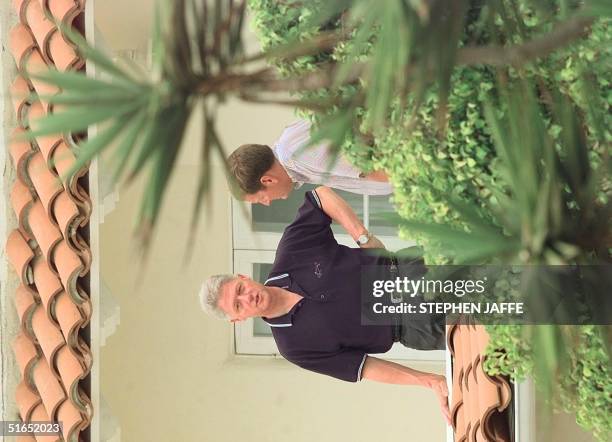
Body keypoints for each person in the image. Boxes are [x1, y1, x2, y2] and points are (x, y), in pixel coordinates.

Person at [200, 186, 450, 423]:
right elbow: (364, 367)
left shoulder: (291, 252)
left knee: (488, 266)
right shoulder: (293, 346)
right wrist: (429, 381)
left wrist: (363, 238)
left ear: (243, 278)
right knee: (485, 329)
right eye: (238, 305)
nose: (247, 298)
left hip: (417, 269)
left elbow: (319, 197)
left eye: (240, 290)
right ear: (238, 319)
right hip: (417, 327)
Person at [228, 119, 392, 206]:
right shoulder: (291, 149)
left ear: (268, 180)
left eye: (261, 199)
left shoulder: (298, 156)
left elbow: (375, 169)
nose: (267, 203)